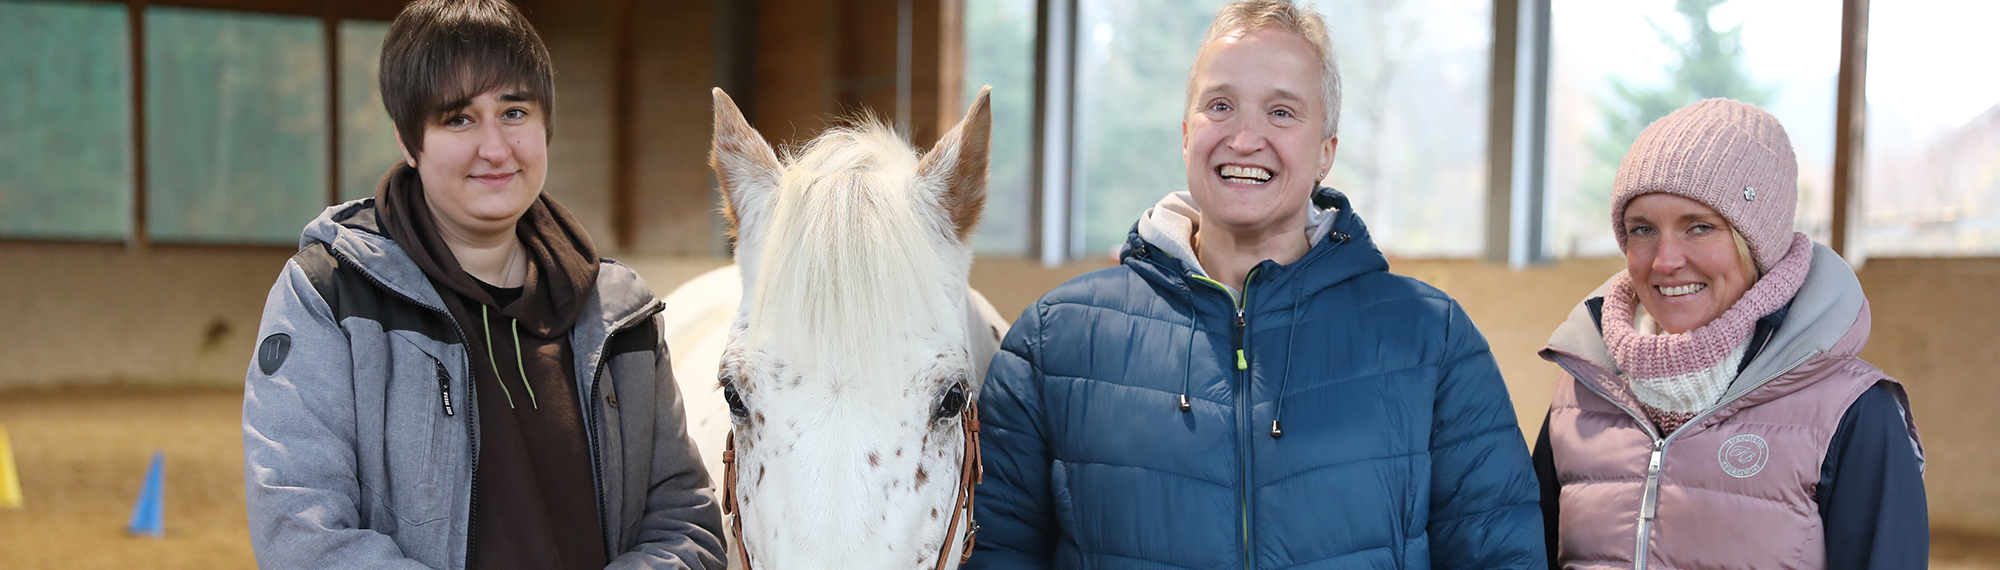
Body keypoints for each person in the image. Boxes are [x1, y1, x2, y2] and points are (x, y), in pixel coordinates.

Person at [968, 1, 1544, 568]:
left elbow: (1501, 555)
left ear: (1326, 152)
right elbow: (994, 553)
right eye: (1220, 105)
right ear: (1186, 134)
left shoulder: (1432, 341)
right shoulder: (1053, 344)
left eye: (1282, 112)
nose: (1245, 139)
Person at [240, 1, 725, 568]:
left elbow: (686, 521)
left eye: (514, 112)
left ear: (546, 123)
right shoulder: (329, 296)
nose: (494, 149)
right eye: (458, 118)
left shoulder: (619, 314)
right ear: (407, 140)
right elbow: (302, 529)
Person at [1532, 99, 1927, 570]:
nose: (1665, 260)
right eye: (1642, 229)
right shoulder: (1583, 389)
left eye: (1700, 227)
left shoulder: (1855, 413)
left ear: (1758, 245)